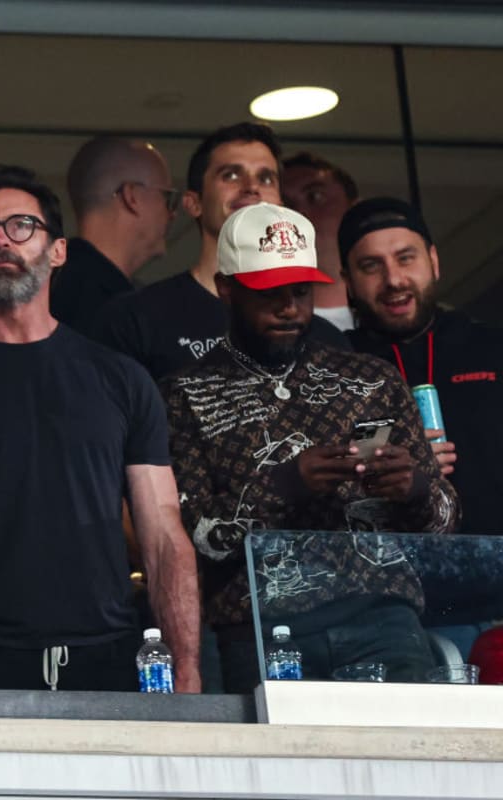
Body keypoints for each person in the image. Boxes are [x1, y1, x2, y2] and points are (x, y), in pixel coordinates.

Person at [160, 202, 459, 692]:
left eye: (301, 291)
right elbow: (193, 540)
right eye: (268, 293)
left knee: (404, 765)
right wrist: (284, 485)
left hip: (384, 621)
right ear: (225, 289)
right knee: (275, 771)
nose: (289, 307)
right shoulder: (183, 394)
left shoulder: (369, 379)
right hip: (260, 630)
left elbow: (445, 521)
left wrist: (415, 488)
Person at [0, 165, 200, 692]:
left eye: (21, 226)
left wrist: (188, 666)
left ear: (58, 250)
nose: (1, 240)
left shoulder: (120, 378)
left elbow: (162, 533)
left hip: (108, 653)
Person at [93, 122, 347, 381]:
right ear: (193, 203)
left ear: (280, 205)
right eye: (231, 175)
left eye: (266, 178)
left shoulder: (324, 338)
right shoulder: (133, 320)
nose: (251, 187)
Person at [342, 197, 503, 534]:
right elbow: (341, 475)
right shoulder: (338, 366)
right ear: (348, 282)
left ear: (433, 261)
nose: (394, 279)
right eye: (371, 265)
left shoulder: (490, 347)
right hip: (389, 573)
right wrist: (400, 465)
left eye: (406, 258)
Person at [51, 137, 177, 333]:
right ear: (132, 196)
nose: (172, 214)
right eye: (167, 198)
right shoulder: (113, 311)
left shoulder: (48, 287)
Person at [281, 151, 359, 330]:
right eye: (285, 206)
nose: (299, 214)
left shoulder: (394, 314)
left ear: (353, 210)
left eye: (315, 197)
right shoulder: (259, 325)